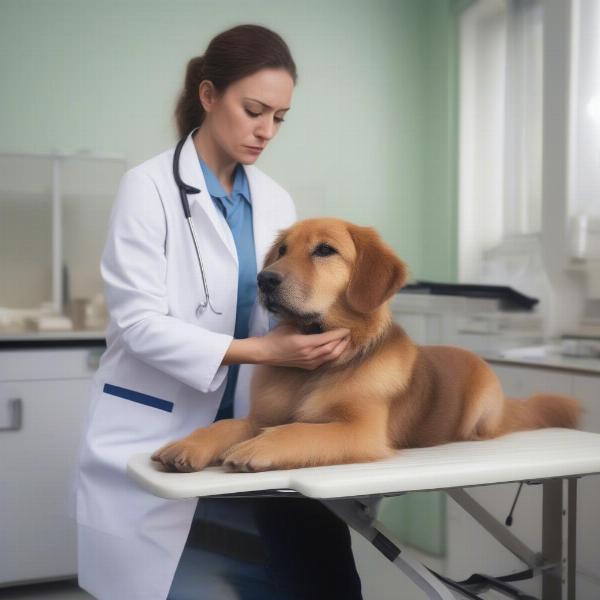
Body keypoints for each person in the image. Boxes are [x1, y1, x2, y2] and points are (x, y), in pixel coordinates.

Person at [73, 24, 363, 600]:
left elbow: (286, 302)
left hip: (255, 432)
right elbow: (137, 325)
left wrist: (328, 340)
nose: (266, 130)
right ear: (208, 96)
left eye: (280, 117)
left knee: (324, 577)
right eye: (254, 110)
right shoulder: (147, 188)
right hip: (160, 424)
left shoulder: (276, 200)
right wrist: (267, 351)